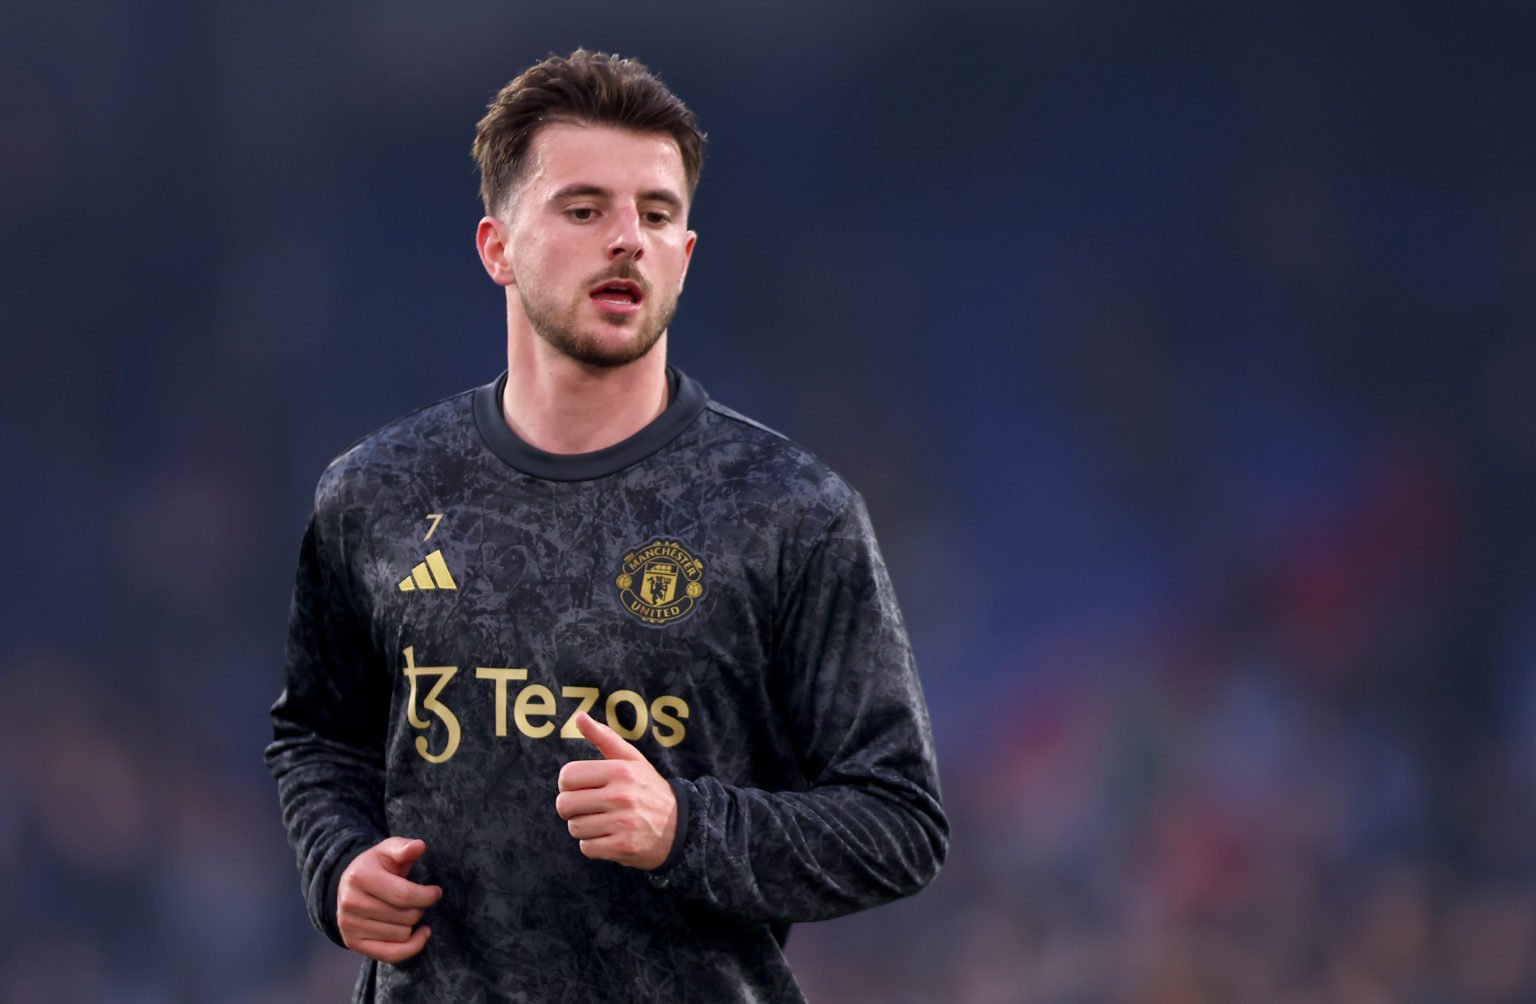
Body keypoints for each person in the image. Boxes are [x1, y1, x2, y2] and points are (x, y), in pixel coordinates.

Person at [265, 49, 948, 1003]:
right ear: (497, 245)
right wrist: (337, 867)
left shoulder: (791, 512)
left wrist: (685, 830)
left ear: (686, 254)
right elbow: (318, 739)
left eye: (656, 214)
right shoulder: (376, 492)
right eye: (584, 210)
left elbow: (899, 823)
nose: (626, 239)